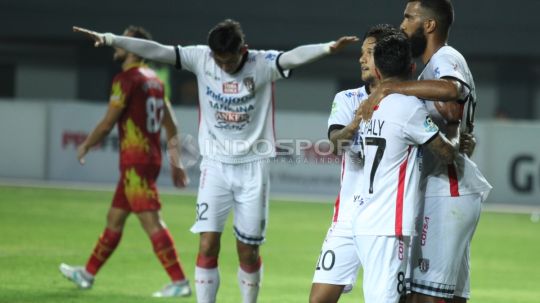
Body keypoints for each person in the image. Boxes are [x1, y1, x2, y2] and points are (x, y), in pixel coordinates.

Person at [73, 19, 358, 303]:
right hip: (215, 166)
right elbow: (156, 49)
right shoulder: (201, 58)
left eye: (229, 61)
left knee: (248, 251)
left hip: (252, 167)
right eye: (218, 61)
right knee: (208, 244)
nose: (223, 67)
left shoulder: (262, 63)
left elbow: (293, 56)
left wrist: (327, 48)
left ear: (242, 51)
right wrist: (110, 38)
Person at [362, 1, 492, 302]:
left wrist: (390, 89)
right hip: (448, 188)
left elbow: (453, 90)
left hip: (445, 189)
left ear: (429, 25)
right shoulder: (428, 73)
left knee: (422, 297)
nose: (403, 24)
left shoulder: (445, 57)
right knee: (447, 296)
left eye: (409, 17)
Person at [59, 26, 191, 298]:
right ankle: (87, 273)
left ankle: (180, 281)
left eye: (123, 40)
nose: (117, 44)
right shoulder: (155, 79)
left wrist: (85, 144)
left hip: (136, 162)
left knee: (151, 221)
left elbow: (108, 123)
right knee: (115, 218)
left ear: (134, 48)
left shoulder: (126, 80)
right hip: (146, 159)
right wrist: (176, 163)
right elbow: (171, 123)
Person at [351, 33, 460, 303]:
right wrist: (456, 131)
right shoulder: (408, 107)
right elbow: (446, 153)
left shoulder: (369, 106)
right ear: (411, 69)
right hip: (389, 226)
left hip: (367, 219)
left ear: (378, 68)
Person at [309, 24, 401, 303]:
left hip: (387, 220)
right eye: (361, 53)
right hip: (348, 216)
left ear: (386, 57)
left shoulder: (406, 101)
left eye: (369, 53)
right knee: (319, 299)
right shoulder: (348, 99)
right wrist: (359, 118)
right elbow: (336, 143)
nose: (361, 59)